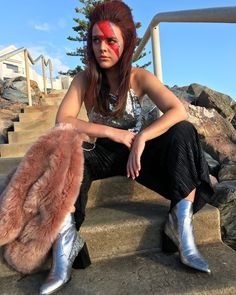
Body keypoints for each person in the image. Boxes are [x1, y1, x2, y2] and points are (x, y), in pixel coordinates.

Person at [39, 1, 214, 294]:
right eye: (96, 39)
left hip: (138, 154)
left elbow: (177, 110)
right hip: (103, 152)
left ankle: (180, 227)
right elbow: (63, 120)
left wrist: (142, 137)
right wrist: (111, 133)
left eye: (110, 40)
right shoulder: (84, 79)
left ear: (127, 43)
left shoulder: (138, 77)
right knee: (65, 143)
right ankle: (65, 244)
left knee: (183, 131)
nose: (102, 47)